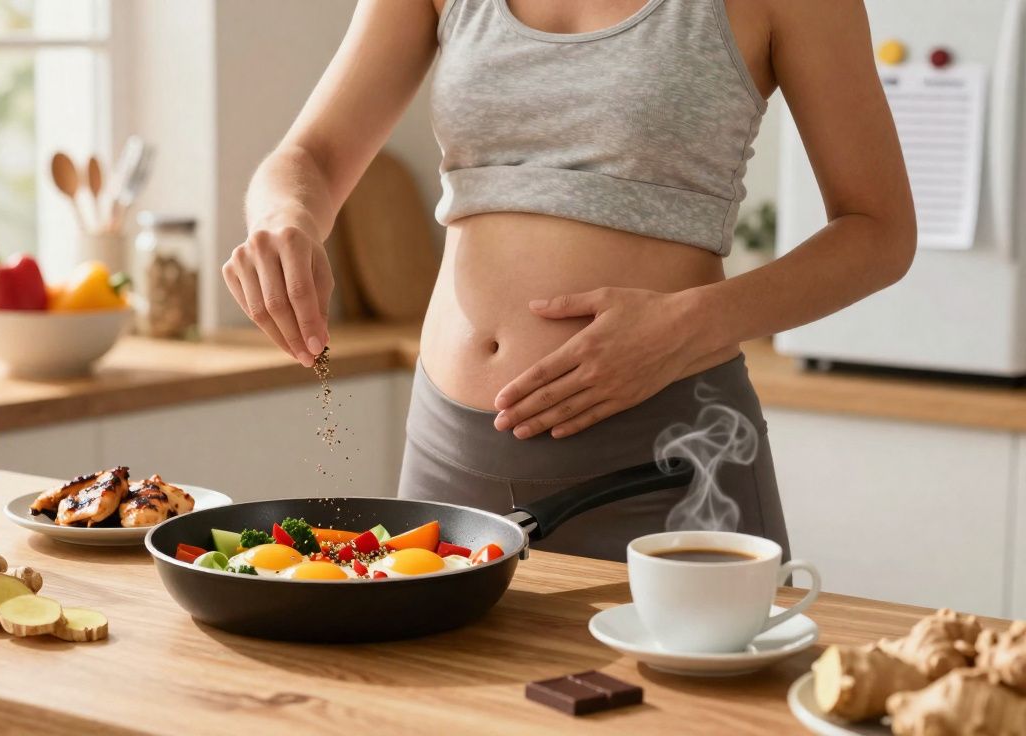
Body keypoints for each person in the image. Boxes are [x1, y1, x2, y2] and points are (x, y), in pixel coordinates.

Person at [222, 0, 915, 559]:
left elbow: (879, 230)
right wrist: (286, 221)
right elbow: (309, 156)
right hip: (450, 455)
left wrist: (690, 325)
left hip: (663, 457)